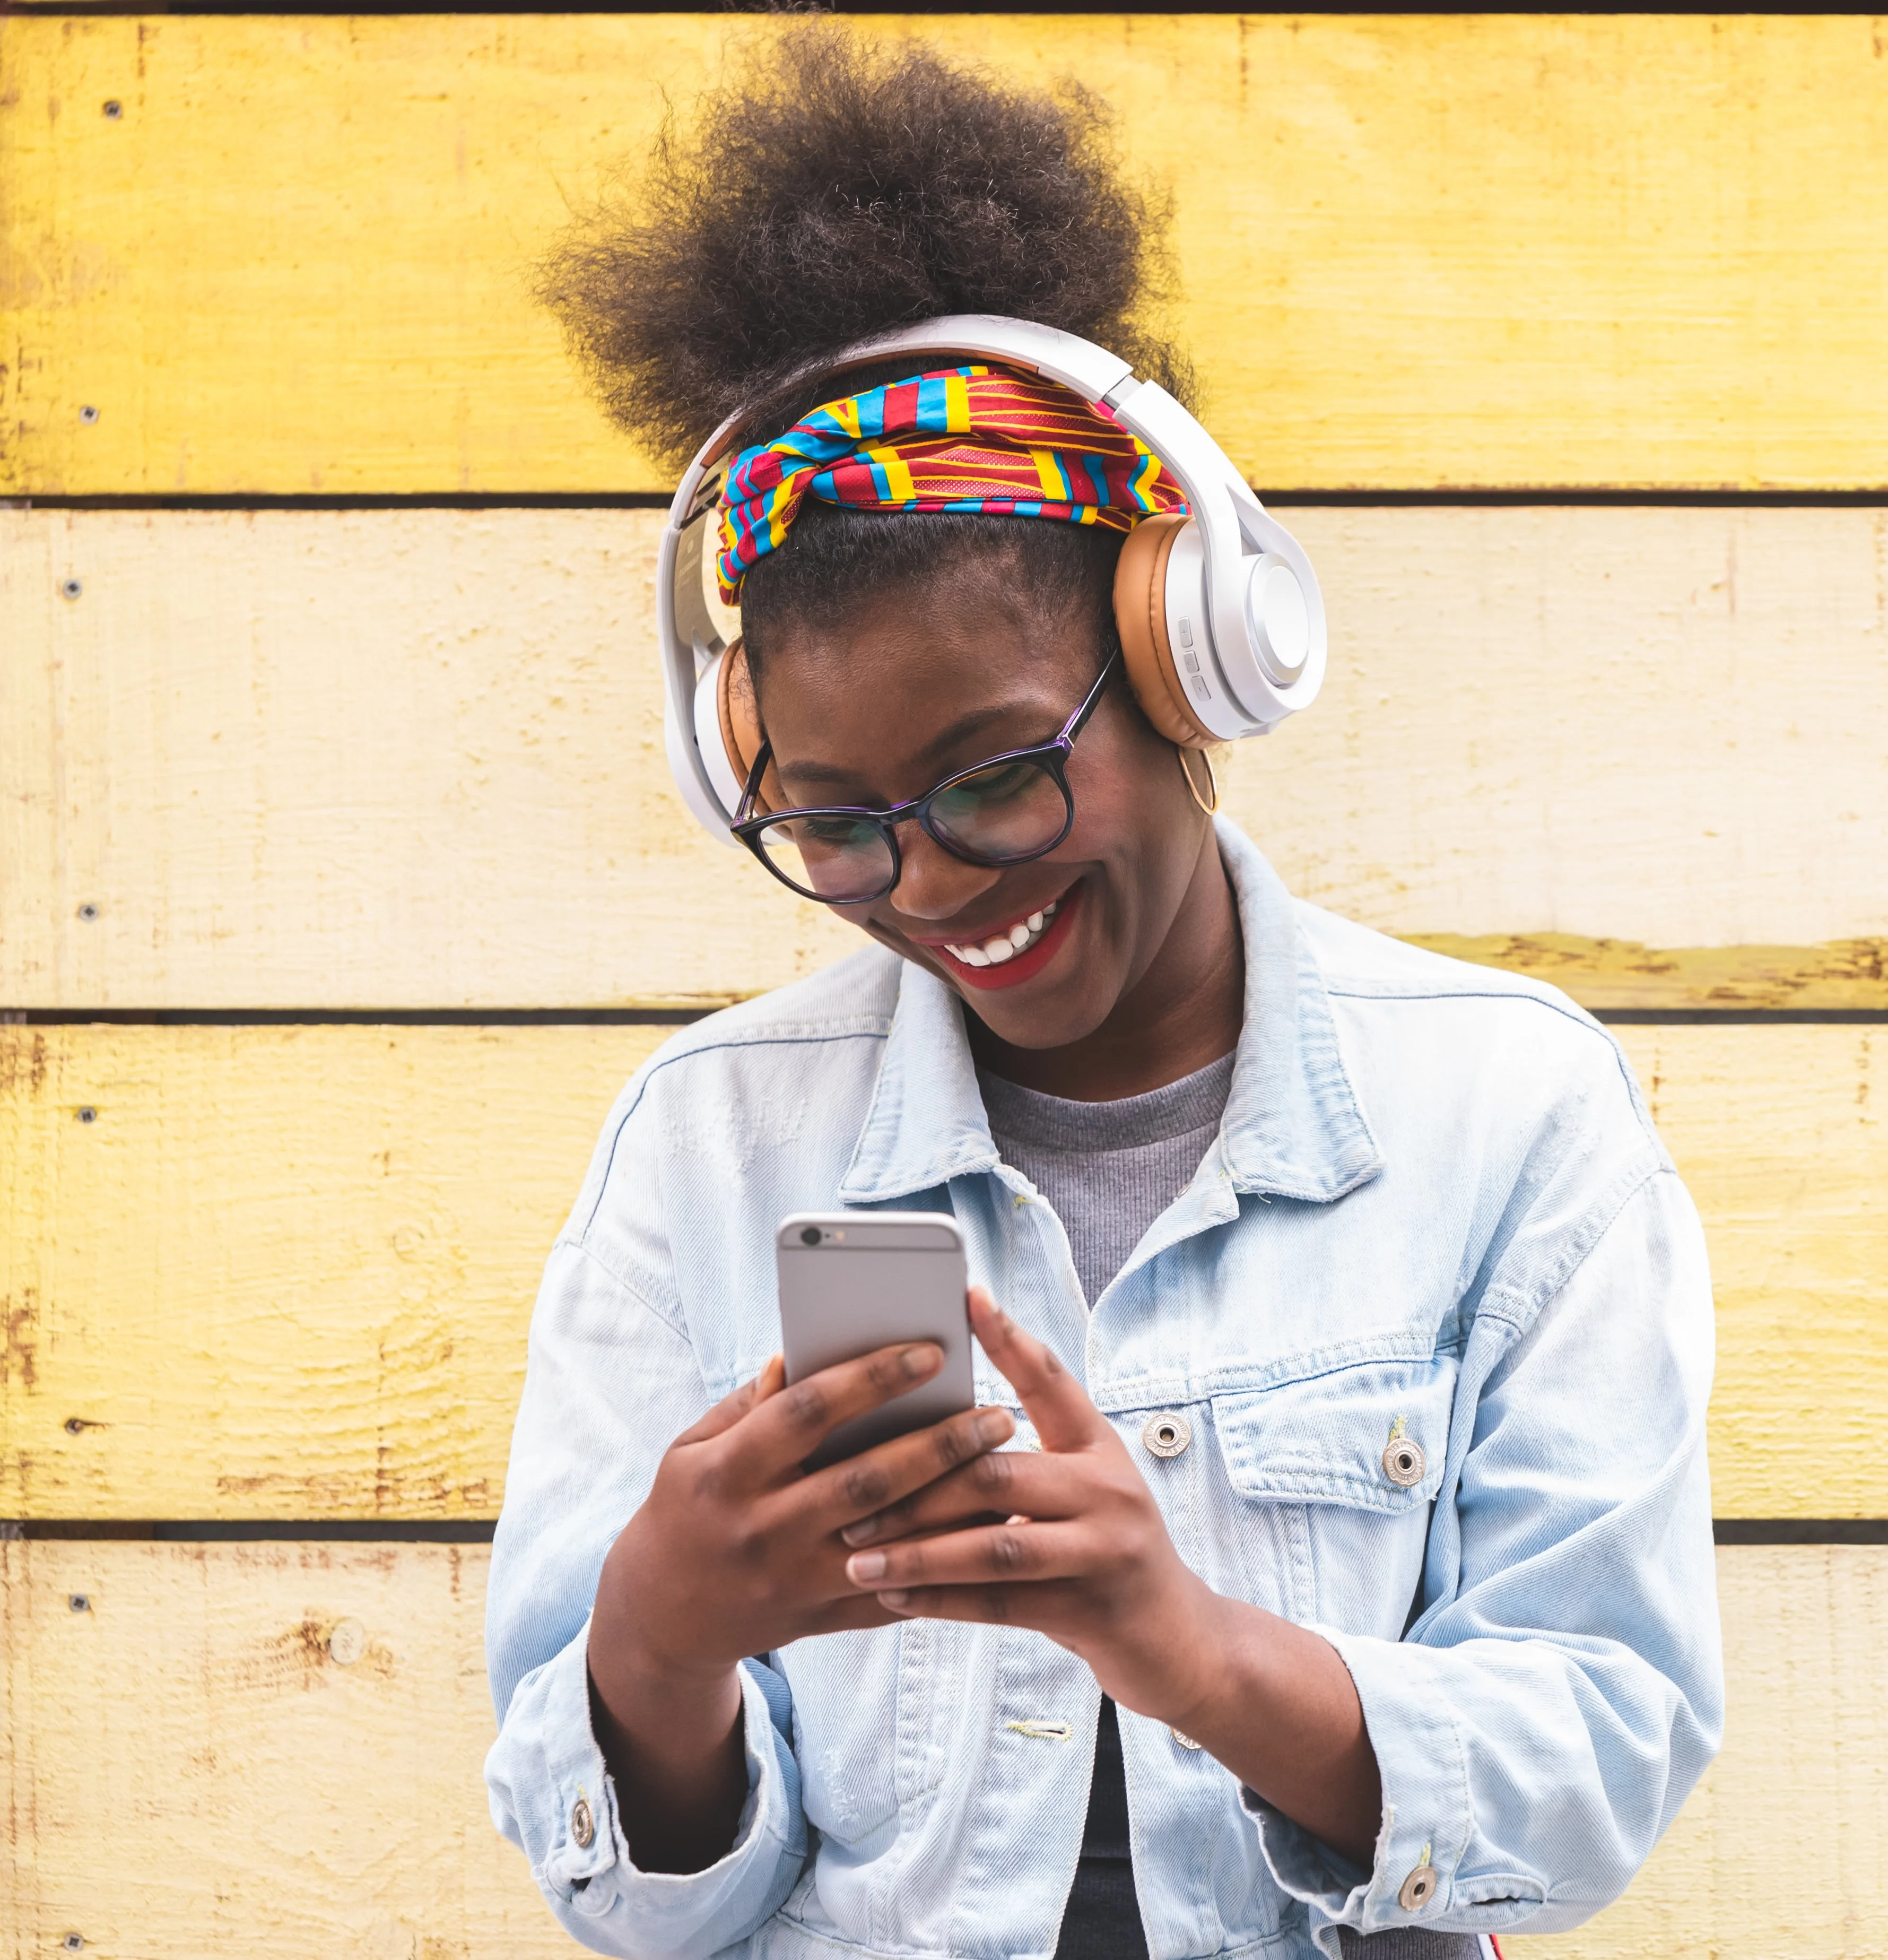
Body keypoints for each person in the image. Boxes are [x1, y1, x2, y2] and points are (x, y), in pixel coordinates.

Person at [481, 25, 1721, 1960]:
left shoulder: (1509, 1113)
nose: (935, 883)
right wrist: (656, 1638)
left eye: (993, 775)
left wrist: (1195, 1649)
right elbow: (643, 1906)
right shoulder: (708, 1144)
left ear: (1191, 659)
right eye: (839, 825)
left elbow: (1595, 1758)